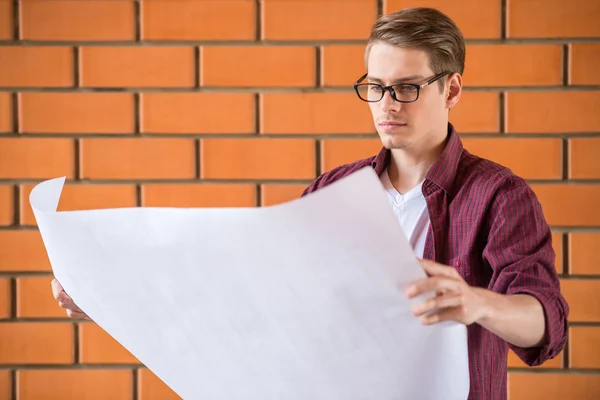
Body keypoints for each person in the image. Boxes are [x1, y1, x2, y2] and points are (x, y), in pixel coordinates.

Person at [52, 7, 569, 400]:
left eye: (407, 88)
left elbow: (546, 325)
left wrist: (478, 302)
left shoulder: (499, 195)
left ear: (452, 88)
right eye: (376, 87)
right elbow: (254, 298)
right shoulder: (334, 190)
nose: (386, 106)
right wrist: (108, 298)